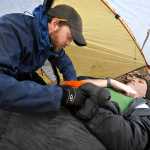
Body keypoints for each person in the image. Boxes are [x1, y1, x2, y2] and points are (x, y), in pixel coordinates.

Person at [0, 3, 93, 112]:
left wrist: (73, 86)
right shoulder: (10, 30)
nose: (68, 43)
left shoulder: (48, 41)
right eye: (69, 37)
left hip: (20, 74)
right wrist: (62, 96)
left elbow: (64, 61)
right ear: (55, 24)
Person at [67, 74, 150, 150]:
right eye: (134, 78)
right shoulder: (109, 85)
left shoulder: (143, 108)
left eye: (140, 82)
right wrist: (110, 82)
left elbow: (132, 140)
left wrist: (83, 102)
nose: (134, 80)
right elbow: (73, 84)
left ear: (144, 95)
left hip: (75, 134)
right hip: (63, 109)